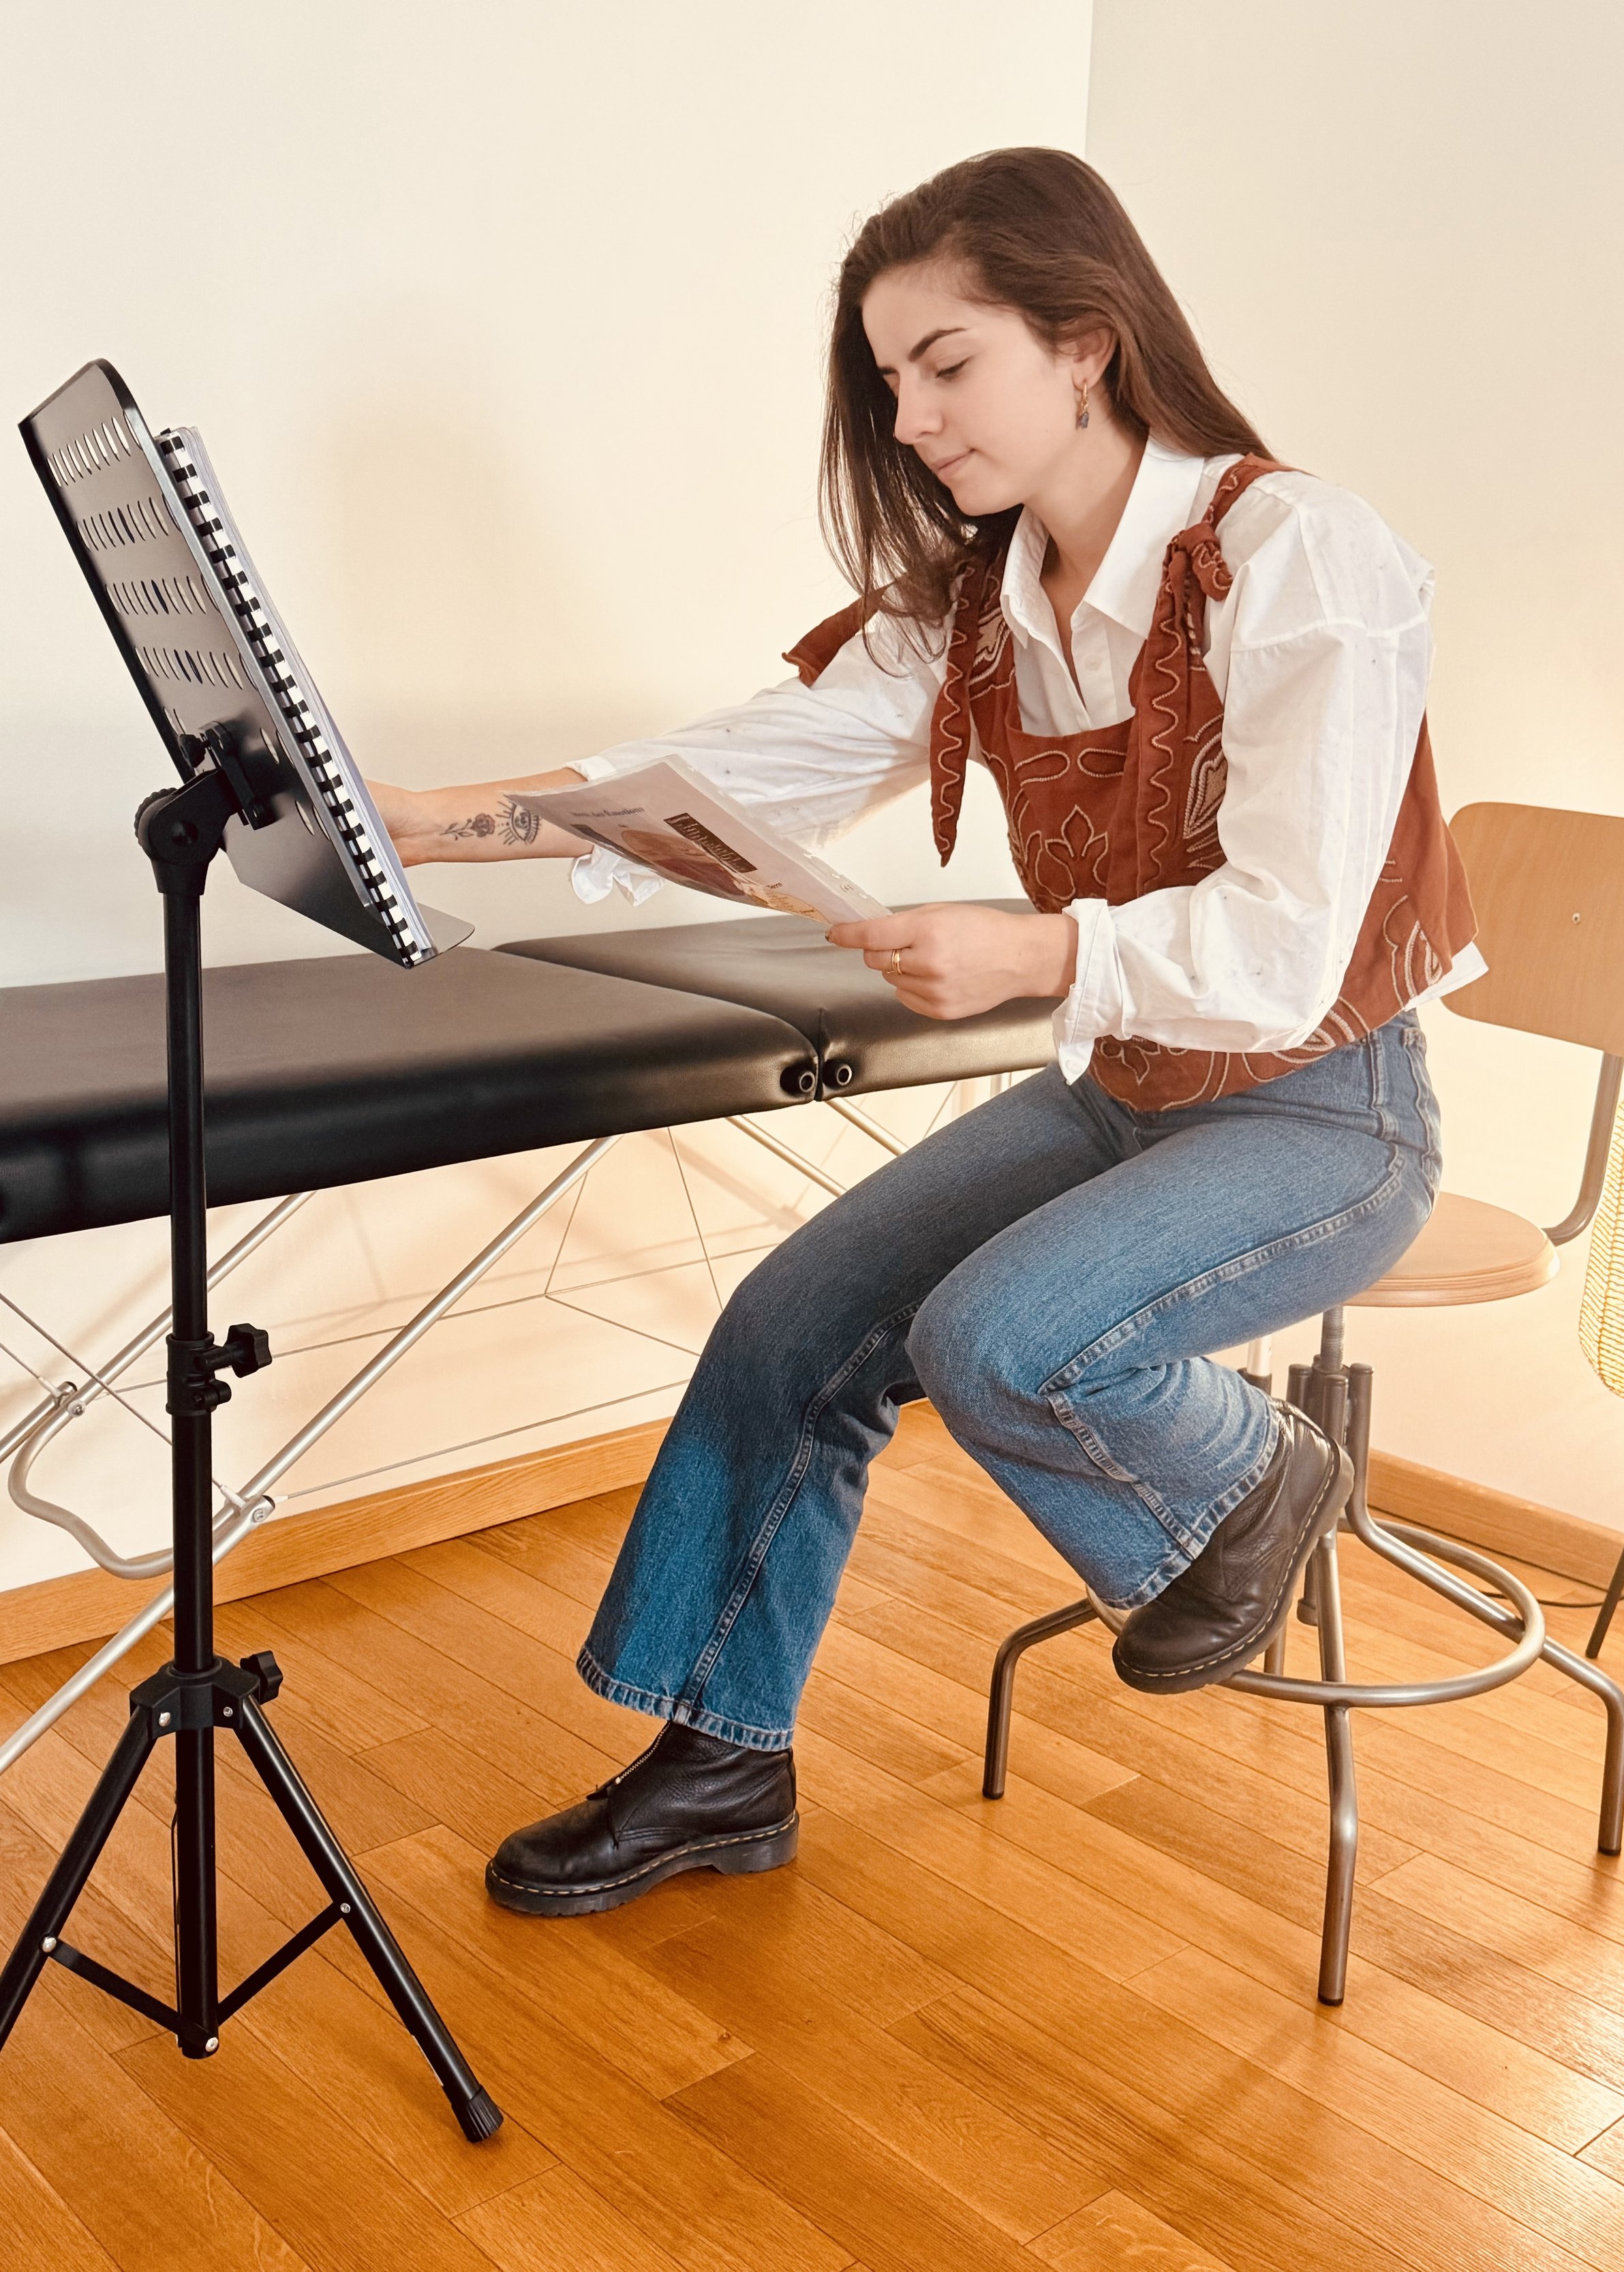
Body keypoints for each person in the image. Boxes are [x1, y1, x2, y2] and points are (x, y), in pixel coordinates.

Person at [371, 147, 1478, 1920]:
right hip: (1122, 1103)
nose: (905, 417)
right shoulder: (977, 613)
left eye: (942, 363)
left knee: (997, 1339)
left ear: (1085, 344)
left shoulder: (1300, 557)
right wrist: (420, 818)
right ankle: (719, 1758)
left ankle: (1263, 1470)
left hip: (1322, 1117)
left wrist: (1032, 949)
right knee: (785, 1326)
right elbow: (701, 786)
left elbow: (1281, 954)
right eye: (886, 380)